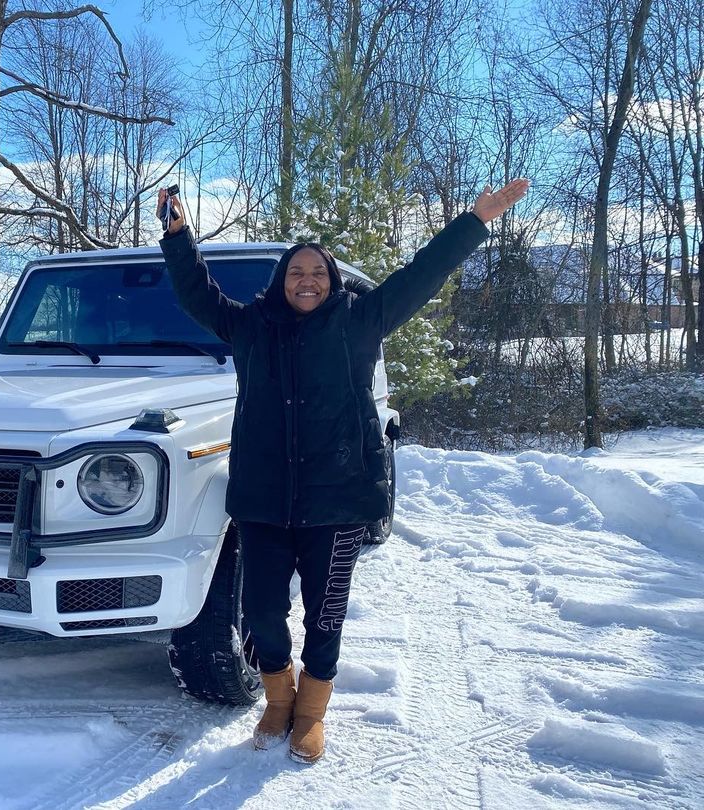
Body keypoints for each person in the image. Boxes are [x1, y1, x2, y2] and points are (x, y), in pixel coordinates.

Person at [156, 179, 530, 764]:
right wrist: (178, 239)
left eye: (319, 274)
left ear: (332, 282)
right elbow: (197, 295)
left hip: (336, 498)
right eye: (296, 273)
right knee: (260, 612)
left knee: (326, 611)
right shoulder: (250, 327)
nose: (308, 281)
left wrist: (474, 221)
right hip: (263, 500)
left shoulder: (361, 321)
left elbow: (420, 274)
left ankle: (311, 712)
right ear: (281, 281)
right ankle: (278, 698)